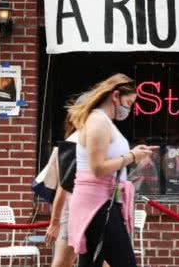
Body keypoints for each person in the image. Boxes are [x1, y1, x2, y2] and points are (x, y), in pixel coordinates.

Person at [67, 74, 156, 267]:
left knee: (92, 263)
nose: (129, 109)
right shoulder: (98, 121)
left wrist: (134, 154)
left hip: (102, 201)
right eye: (129, 102)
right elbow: (97, 168)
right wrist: (132, 157)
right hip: (97, 203)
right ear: (115, 96)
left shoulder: (104, 122)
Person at [44, 96, 85, 267]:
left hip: (87, 213)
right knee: (62, 263)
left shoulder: (91, 139)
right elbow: (64, 186)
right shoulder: (75, 142)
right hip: (72, 215)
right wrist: (54, 223)